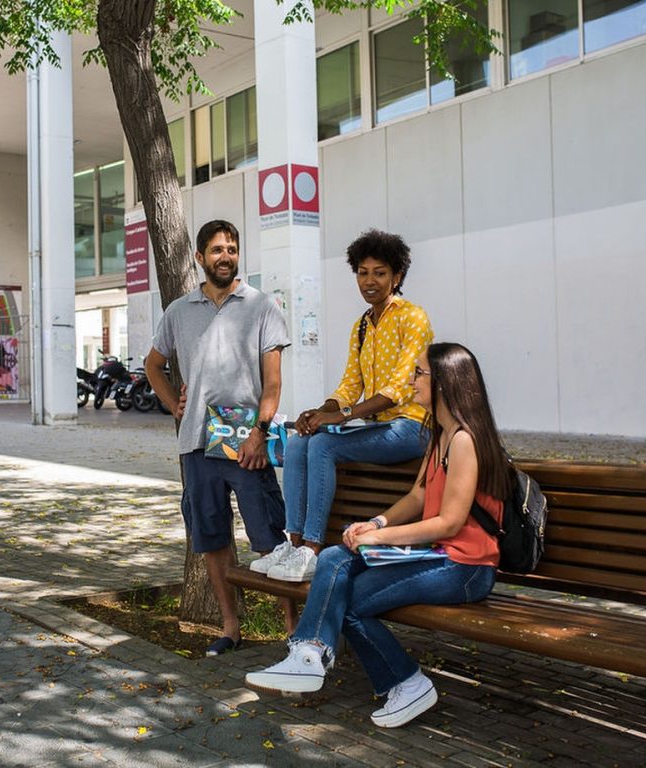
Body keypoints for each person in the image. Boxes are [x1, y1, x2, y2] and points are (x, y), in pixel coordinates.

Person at [245, 342, 514, 728]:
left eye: (419, 373)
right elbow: (419, 495)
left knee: (348, 601)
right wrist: (377, 524)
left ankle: (405, 682)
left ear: (445, 382)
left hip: (466, 568)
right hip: (440, 557)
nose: (412, 380)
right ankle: (306, 654)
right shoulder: (440, 435)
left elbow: (451, 523)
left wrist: (381, 539)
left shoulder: (465, 441)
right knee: (336, 557)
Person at [145, 219, 291, 657]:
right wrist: (174, 402)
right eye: (216, 250)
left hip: (245, 438)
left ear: (238, 254)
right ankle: (230, 628)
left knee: (269, 538)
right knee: (212, 539)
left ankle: (292, 628)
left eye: (231, 248)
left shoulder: (262, 306)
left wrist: (260, 433)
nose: (224, 256)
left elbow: (273, 383)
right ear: (200, 257)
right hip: (196, 442)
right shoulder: (178, 311)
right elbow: (154, 365)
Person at [252, 229, 433, 583]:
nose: (369, 281)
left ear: (397, 277)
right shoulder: (363, 326)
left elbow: (397, 389)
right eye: (362, 273)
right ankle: (295, 542)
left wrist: (338, 417)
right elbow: (350, 385)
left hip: (411, 428)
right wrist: (319, 412)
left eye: (379, 273)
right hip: (379, 430)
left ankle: (314, 551)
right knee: (302, 440)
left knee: (323, 444)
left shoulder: (413, 317)